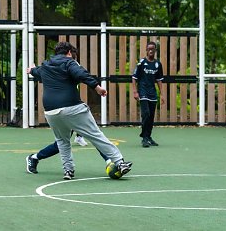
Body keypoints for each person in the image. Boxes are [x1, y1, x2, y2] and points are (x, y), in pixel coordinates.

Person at [27, 41, 132, 180]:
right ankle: (120, 162)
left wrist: (32, 70)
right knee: (95, 135)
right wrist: (97, 87)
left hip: (50, 111)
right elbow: (81, 74)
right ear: (69, 53)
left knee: (62, 141)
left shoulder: (46, 65)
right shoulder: (69, 62)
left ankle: (68, 171)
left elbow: (36, 72)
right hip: (71, 108)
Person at [132, 41, 164, 148]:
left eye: (153, 49)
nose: (151, 51)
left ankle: (148, 137)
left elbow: (159, 80)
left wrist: (162, 94)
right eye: (149, 49)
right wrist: (135, 92)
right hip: (143, 91)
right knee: (145, 113)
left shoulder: (158, 64)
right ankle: (144, 137)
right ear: (146, 50)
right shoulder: (141, 63)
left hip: (152, 93)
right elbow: (134, 78)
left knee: (151, 116)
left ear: (155, 50)